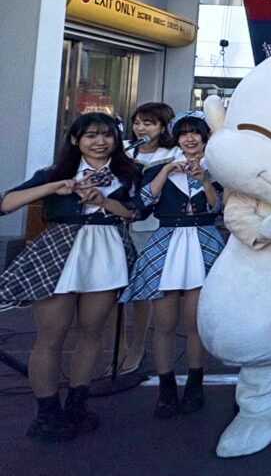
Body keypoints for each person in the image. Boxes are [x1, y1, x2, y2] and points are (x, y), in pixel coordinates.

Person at [0, 113, 141, 441]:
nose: (100, 142)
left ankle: (77, 403)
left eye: (107, 135)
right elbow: (6, 203)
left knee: (92, 333)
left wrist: (104, 201)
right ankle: (47, 413)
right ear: (75, 140)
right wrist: (53, 186)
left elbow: (136, 212)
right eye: (91, 135)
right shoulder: (54, 174)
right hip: (59, 251)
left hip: (107, 252)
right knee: (51, 335)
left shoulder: (129, 173)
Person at [120, 112, 225, 417]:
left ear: (206, 137)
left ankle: (195, 383)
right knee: (164, 323)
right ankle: (166, 388)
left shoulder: (218, 168)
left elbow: (219, 207)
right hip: (166, 240)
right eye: (184, 134)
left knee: (194, 323)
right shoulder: (158, 167)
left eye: (196, 133)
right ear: (176, 138)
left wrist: (205, 180)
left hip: (203, 238)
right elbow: (141, 203)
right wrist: (166, 171)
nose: (190, 139)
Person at [118, 101, 179, 375]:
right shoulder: (122, 149)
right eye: (138, 122)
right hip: (116, 225)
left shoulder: (173, 153)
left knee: (143, 289)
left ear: (163, 127)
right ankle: (117, 348)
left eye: (149, 123)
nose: (140, 128)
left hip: (153, 227)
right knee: (110, 290)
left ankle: (138, 346)